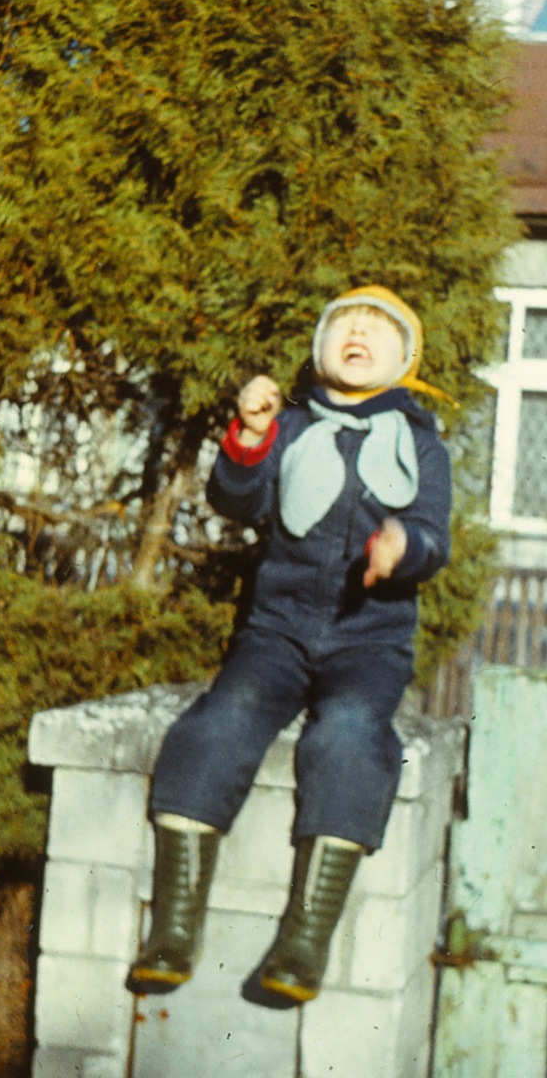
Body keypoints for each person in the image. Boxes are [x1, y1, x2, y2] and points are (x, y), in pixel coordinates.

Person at [126, 285, 453, 1006]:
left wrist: (405, 545)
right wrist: (249, 436)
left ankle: (304, 942)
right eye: (344, 326)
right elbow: (237, 500)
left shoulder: (421, 443)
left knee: (349, 735)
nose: (358, 334)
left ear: (405, 360)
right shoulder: (292, 426)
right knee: (215, 725)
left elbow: (436, 535)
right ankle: (174, 930)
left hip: (369, 641)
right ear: (320, 350)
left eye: (377, 329)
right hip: (275, 631)